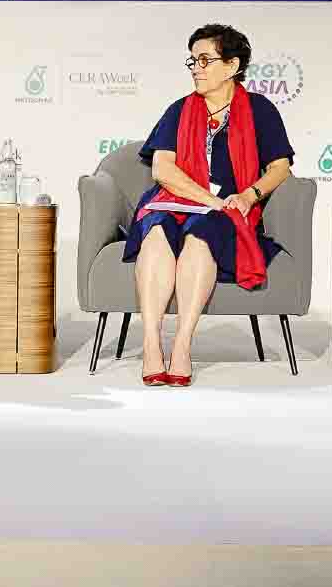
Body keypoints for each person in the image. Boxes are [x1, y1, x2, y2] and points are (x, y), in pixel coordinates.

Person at [125, 22, 295, 386]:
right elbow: (162, 169)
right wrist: (209, 200)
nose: (196, 69)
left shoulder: (260, 110)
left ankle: (182, 346)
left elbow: (280, 167)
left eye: (205, 60)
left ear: (232, 65)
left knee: (201, 234)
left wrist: (248, 196)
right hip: (176, 200)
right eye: (193, 61)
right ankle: (152, 344)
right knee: (156, 230)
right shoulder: (179, 109)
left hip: (227, 207)